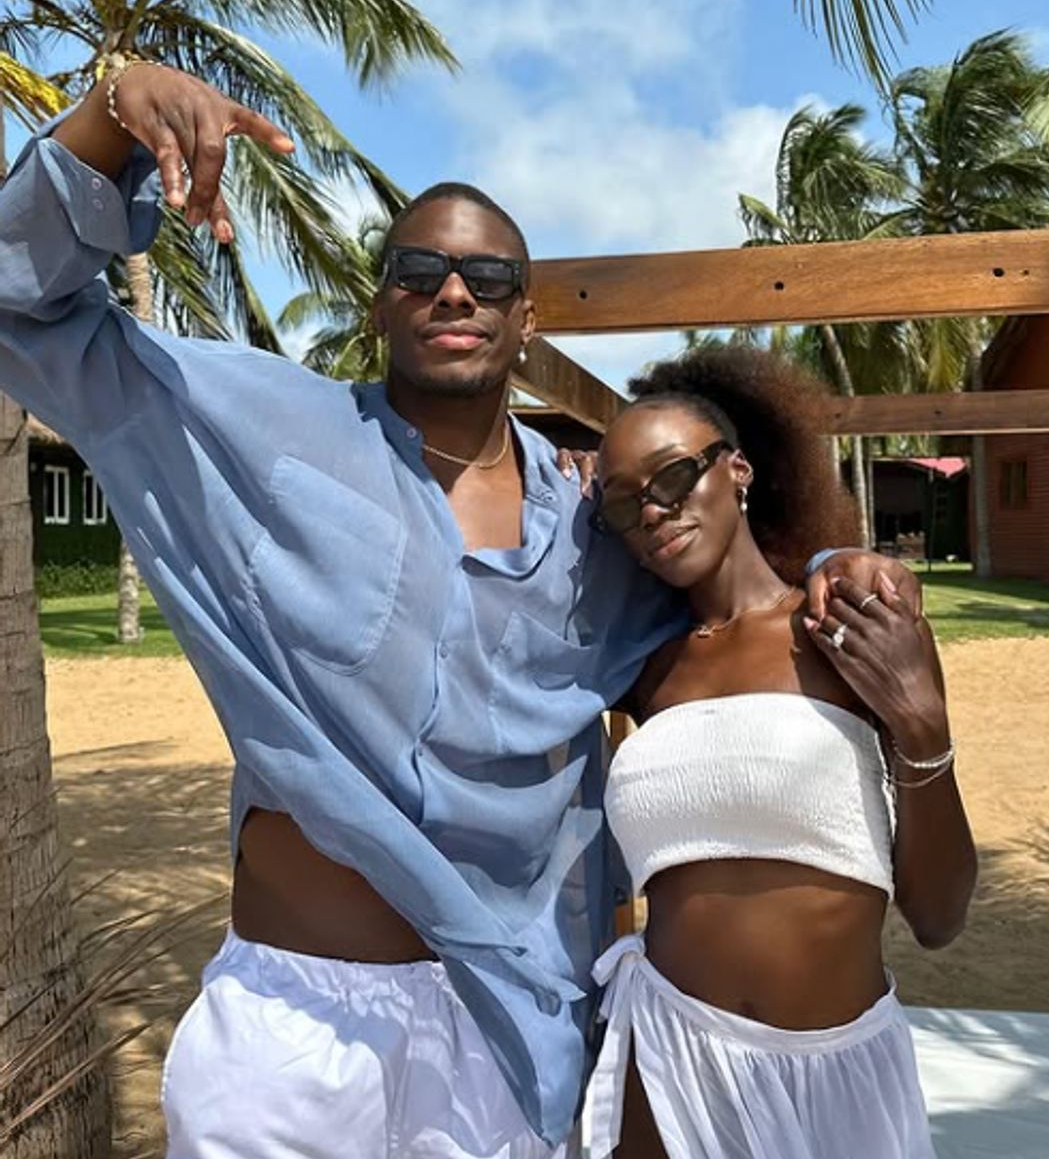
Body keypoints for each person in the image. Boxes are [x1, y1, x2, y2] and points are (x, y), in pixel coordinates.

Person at [0, 60, 918, 1159]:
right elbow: (29, 309)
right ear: (381, 300)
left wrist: (831, 563)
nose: (454, 293)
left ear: (525, 318)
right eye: (422, 268)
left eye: (487, 277)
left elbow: (731, 594)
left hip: (507, 1033)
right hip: (298, 1030)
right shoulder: (254, 427)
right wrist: (109, 113)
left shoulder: (593, 532)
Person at [584, 345, 978, 1159]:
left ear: (739, 471)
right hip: (664, 1063)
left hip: (838, 1073)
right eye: (623, 504)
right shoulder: (644, 669)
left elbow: (938, 916)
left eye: (671, 478)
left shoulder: (850, 628)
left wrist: (923, 732)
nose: (652, 511)